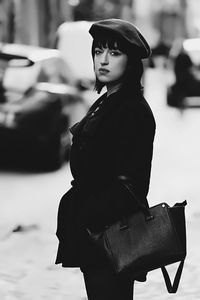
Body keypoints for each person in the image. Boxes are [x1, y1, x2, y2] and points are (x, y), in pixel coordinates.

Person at [55, 18, 156, 300]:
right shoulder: (107, 101)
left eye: (114, 53)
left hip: (112, 236)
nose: (103, 60)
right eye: (99, 51)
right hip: (98, 236)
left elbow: (132, 184)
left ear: (131, 61)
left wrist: (88, 218)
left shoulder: (132, 109)